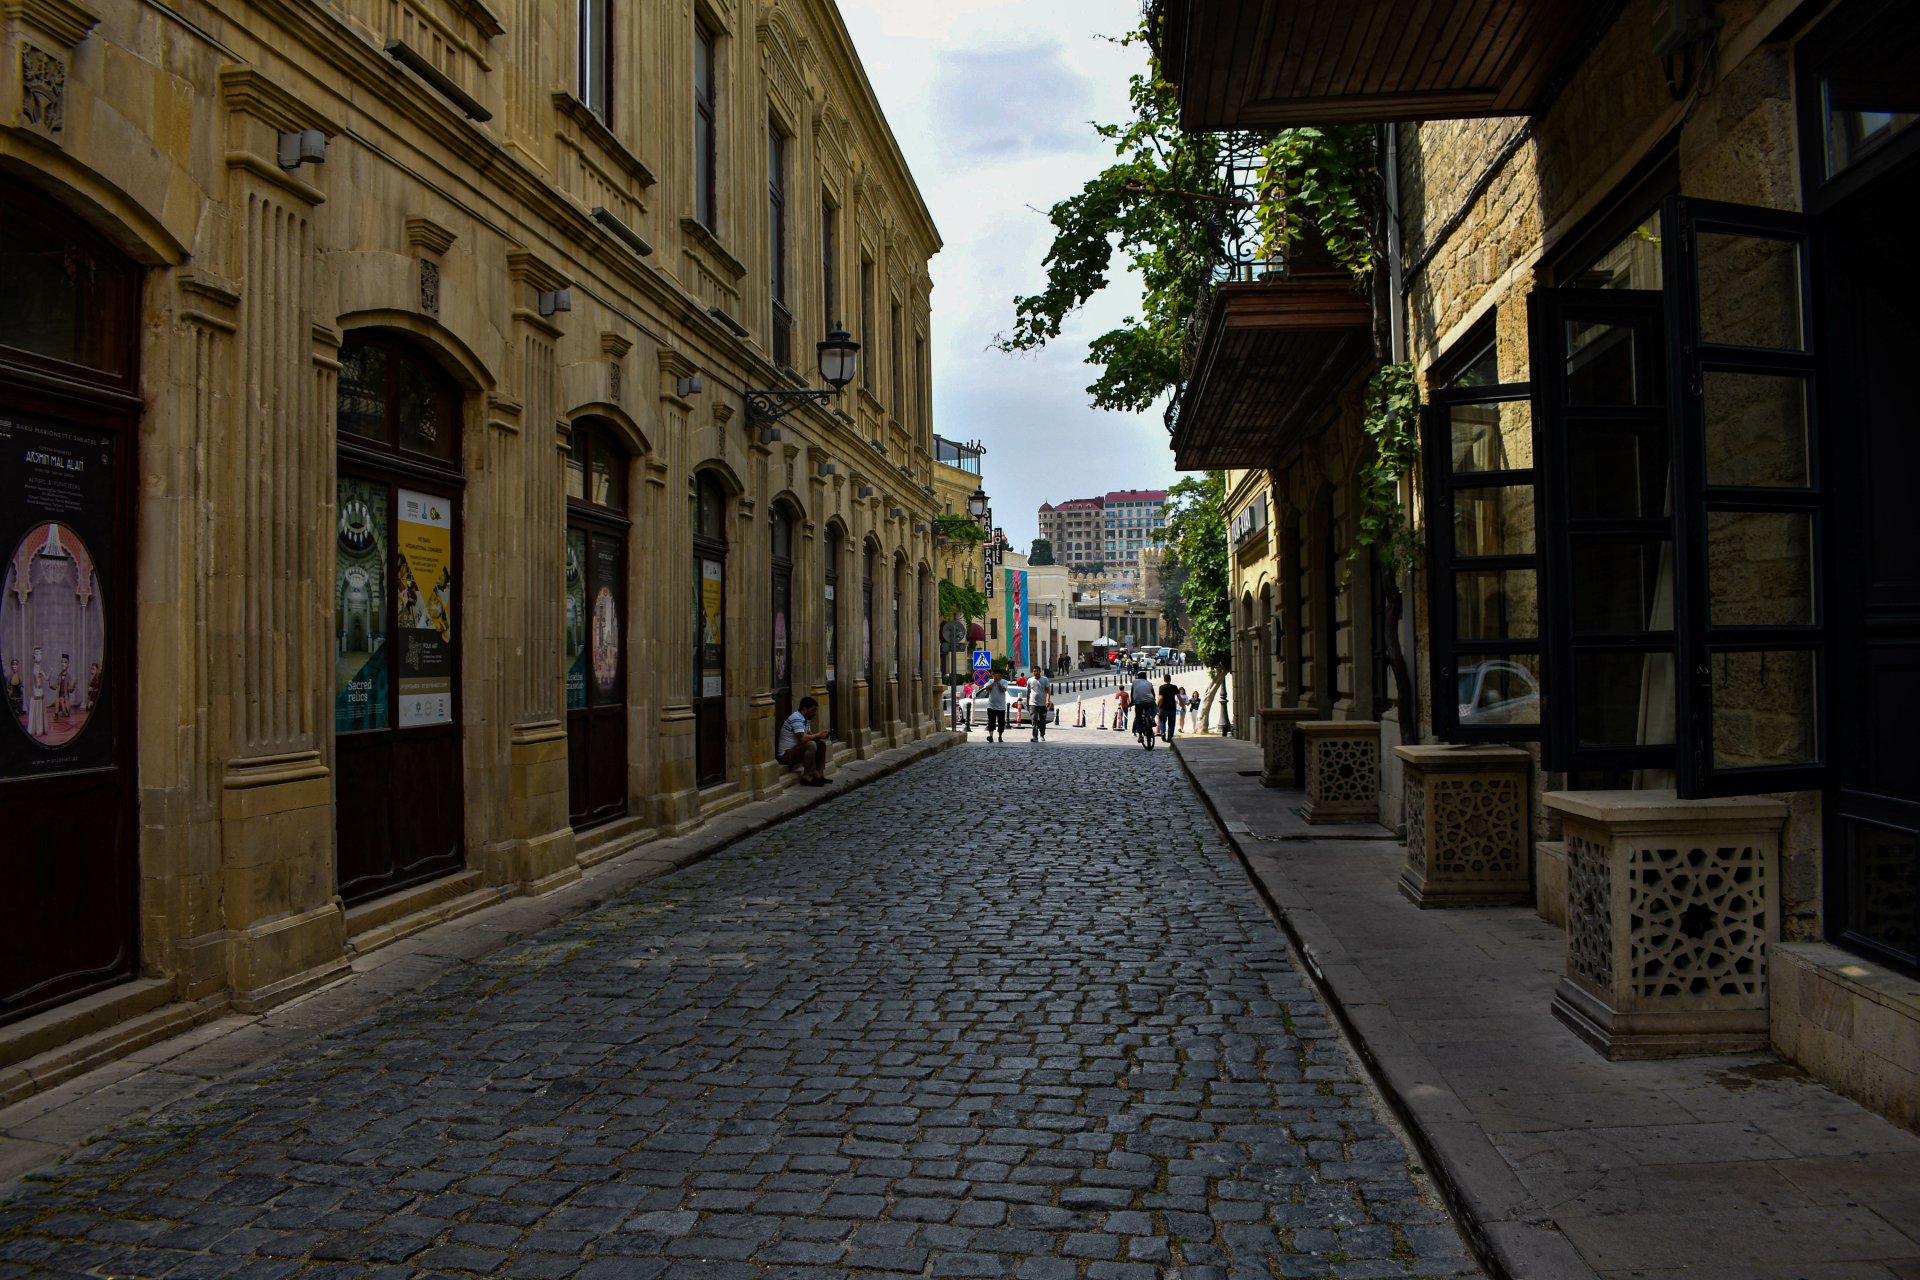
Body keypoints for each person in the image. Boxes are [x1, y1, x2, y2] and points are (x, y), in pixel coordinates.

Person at [777, 696, 832, 786]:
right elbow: (802, 739)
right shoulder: (796, 718)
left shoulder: (805, 719)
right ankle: (806, 776)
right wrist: (817, 735)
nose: (815, 714)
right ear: (805, 709)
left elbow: (809, 735)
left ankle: (818, 774)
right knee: (811, 745)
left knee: (821, 744)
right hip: (786, 755)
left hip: (796, 750)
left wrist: (821, 736)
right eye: (813, 710)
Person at [983, 669, 1011, 742]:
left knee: (1001, 722)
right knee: (991, 722)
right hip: (991, 706)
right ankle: (991, 736)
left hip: (1001, 707)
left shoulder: (1004, 682)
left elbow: (1003, 690)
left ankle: (1000, 736)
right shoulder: (990, 681)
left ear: (1001, 675)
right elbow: (987, 688)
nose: (997, 675)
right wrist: (994, 682)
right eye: (995, 674)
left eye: (998, 674)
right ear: (993, 675)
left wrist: (998, 683)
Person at [1130, 669, 1157, 743]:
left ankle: (1140, 735)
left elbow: (1132, 693)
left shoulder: (1134, 682)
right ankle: (1152, 718)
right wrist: (1153, 699)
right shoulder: (1149, 683)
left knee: (1138, 717)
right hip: (1149, 702)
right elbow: (1153, 694)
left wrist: (1132, 702)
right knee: (1155, 706)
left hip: (1138, 703)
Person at [1028, 667, 1052, 741]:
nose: (1036, 672)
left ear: (1040, 672)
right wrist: (1028, 702)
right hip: (1033, 703)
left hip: (1042, 704)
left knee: (1042, 720)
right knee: (1034, 719)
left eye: (1037, 671)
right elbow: (1028, 691)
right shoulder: (1030, 680)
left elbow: (1048, 691)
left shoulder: (1044, 679)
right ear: (1033, 672)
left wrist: (1048, 700)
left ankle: (1042, 734)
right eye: (1034, 671)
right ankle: (1035, 736)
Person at [1158, 673, 1179, 742]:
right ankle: (1170, 737)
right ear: (1170, 679)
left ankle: (1163, 732)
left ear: (1164, 679)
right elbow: (1179, 697)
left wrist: (1158, 707)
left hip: (1163, 708)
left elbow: (1160, 698)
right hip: (1172, 707)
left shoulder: (1161, 687)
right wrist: (1182, 705)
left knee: (1162, 721)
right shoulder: (1174, 687)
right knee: (1171, 723)